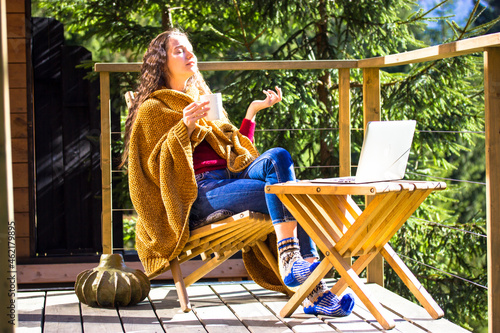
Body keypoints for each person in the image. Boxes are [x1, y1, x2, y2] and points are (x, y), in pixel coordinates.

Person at [122, 28, 354, 317]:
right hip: (198, 194)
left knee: (279, 158)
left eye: (190, 48)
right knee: (292, 192)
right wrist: (185, 128)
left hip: (232, 180)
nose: (190, 54)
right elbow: (151, 169)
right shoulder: (152, 109)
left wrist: (251, 114)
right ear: (161, 61)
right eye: (179, 50)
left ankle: (294, 261)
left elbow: (234, 151)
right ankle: (313, 286)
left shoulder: (201, 97)